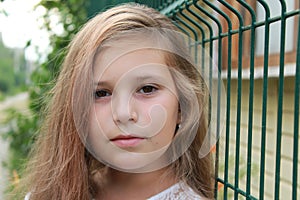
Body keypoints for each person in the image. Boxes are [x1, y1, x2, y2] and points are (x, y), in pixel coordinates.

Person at [20, 3, 215, 200]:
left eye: (147, 89)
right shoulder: (47, 195)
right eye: (101, 93)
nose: (123, 114)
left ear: (183, 106)